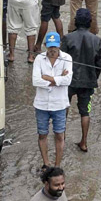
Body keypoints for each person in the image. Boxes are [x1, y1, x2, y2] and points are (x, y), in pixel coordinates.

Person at [61, 7, 101, 154]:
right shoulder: (97, 40)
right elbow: (99, 64)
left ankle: (62, 139)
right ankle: (84, 142)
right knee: (85, 111)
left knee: (64, 108)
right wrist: (93, 77)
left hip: (68, 82)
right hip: (88, 82)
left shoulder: (67, 38)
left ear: (75, 22)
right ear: (90, 22)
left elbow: (61, 61)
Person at [32, 31, 72, 169]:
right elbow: (36, 81)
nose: (53, 50)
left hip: (59, 104)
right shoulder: (39, 59)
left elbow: (68, 80)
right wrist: (58, 79)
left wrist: (47, 78)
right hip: (41, 104)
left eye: (55, 47)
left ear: (60, 45)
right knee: (42, 134)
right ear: (45, 46)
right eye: (50, 47)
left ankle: (57, 165)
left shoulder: (67, 58)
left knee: (60, 135)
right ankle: (46, 163)